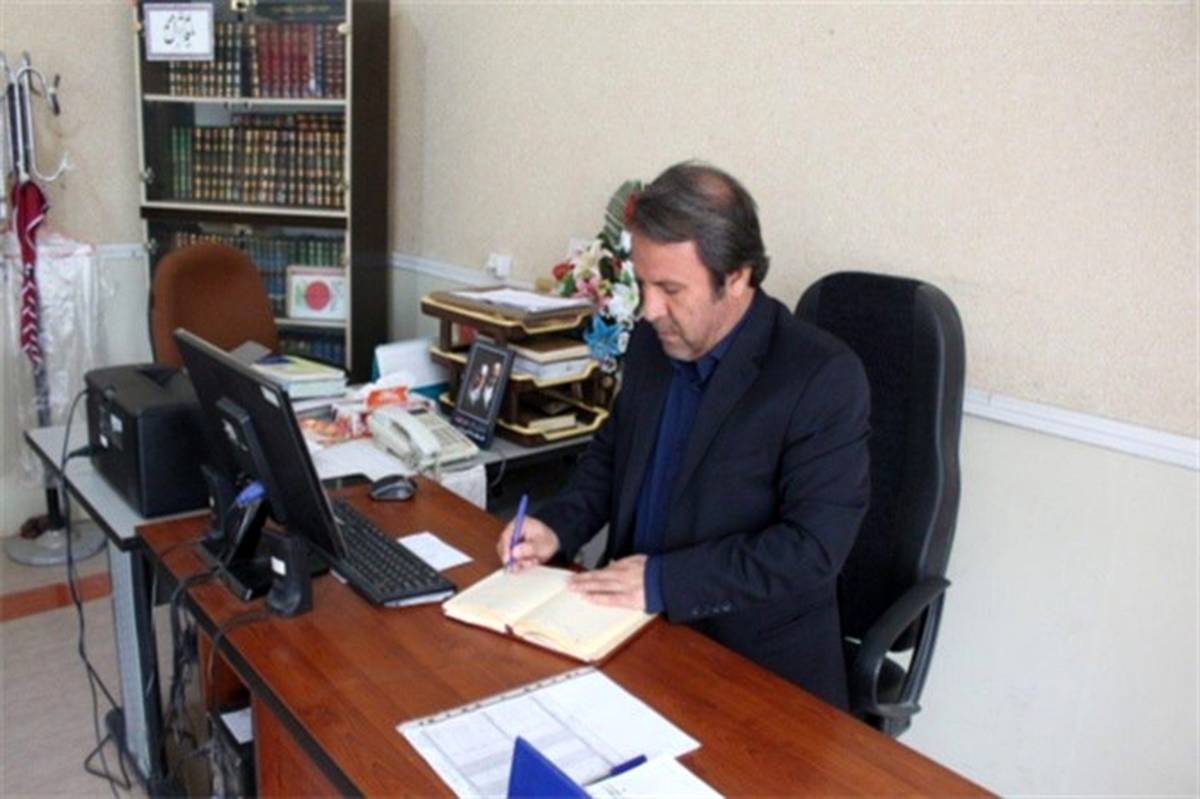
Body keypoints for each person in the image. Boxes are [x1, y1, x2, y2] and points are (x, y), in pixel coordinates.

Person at [496, 161, 871, 709]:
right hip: (626, 632)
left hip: (748, 665)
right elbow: (611, 457)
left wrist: (663, 582)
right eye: (643, 285)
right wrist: (556, 526)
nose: (650, 310)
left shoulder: (820, 376)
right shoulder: (653, 344)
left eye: (670, 288)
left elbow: (811, 549)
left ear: (737, 277)